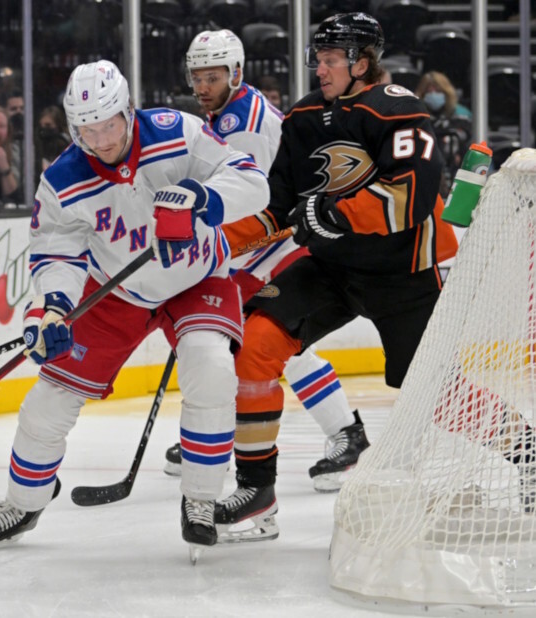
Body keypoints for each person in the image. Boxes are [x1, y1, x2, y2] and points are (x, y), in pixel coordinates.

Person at [0, 59, 269, 556]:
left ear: (129, 109)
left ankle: (200, 500)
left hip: (198, 276)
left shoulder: (177, 132)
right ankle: (23, 503)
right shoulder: (63, 180)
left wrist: (201, 198)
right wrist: (55, 308)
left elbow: (253, 181)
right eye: (88, 129)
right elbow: (55, 253)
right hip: (116, 291)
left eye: (109, 124)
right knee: (49, 400)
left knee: (211, 368)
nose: (102, 139)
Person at [214, 12, 458, 534]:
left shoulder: (400, 112)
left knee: (437, 391)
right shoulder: (302, 117)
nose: (319, 69)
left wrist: (333, 213)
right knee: (255, 344)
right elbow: (279, 206)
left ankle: (525, 453)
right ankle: (256, 489)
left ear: (361, 62)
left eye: (329, 60)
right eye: (318, 59)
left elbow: (411, 197)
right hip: (329, 267)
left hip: (403, 274)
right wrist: (217, 241)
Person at [162, 29, 368, 507]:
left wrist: (209, 252)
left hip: (278, 243)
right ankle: (341, 432)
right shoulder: (230, 112)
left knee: (264, 340)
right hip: (264, 244)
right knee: (266, 343)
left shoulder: (245, 126)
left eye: (213, 76)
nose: (203, 86)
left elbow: (255, 204)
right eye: (197, 77)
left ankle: (342, 433)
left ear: (235, 72)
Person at [414, 71, 472, 196]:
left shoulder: (461, 115)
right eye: (429, 91)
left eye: (438, 91)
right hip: (425, 173)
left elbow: (466, 139)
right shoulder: (416, 117)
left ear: (446, 92)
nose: (433, 94)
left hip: (455, 172)